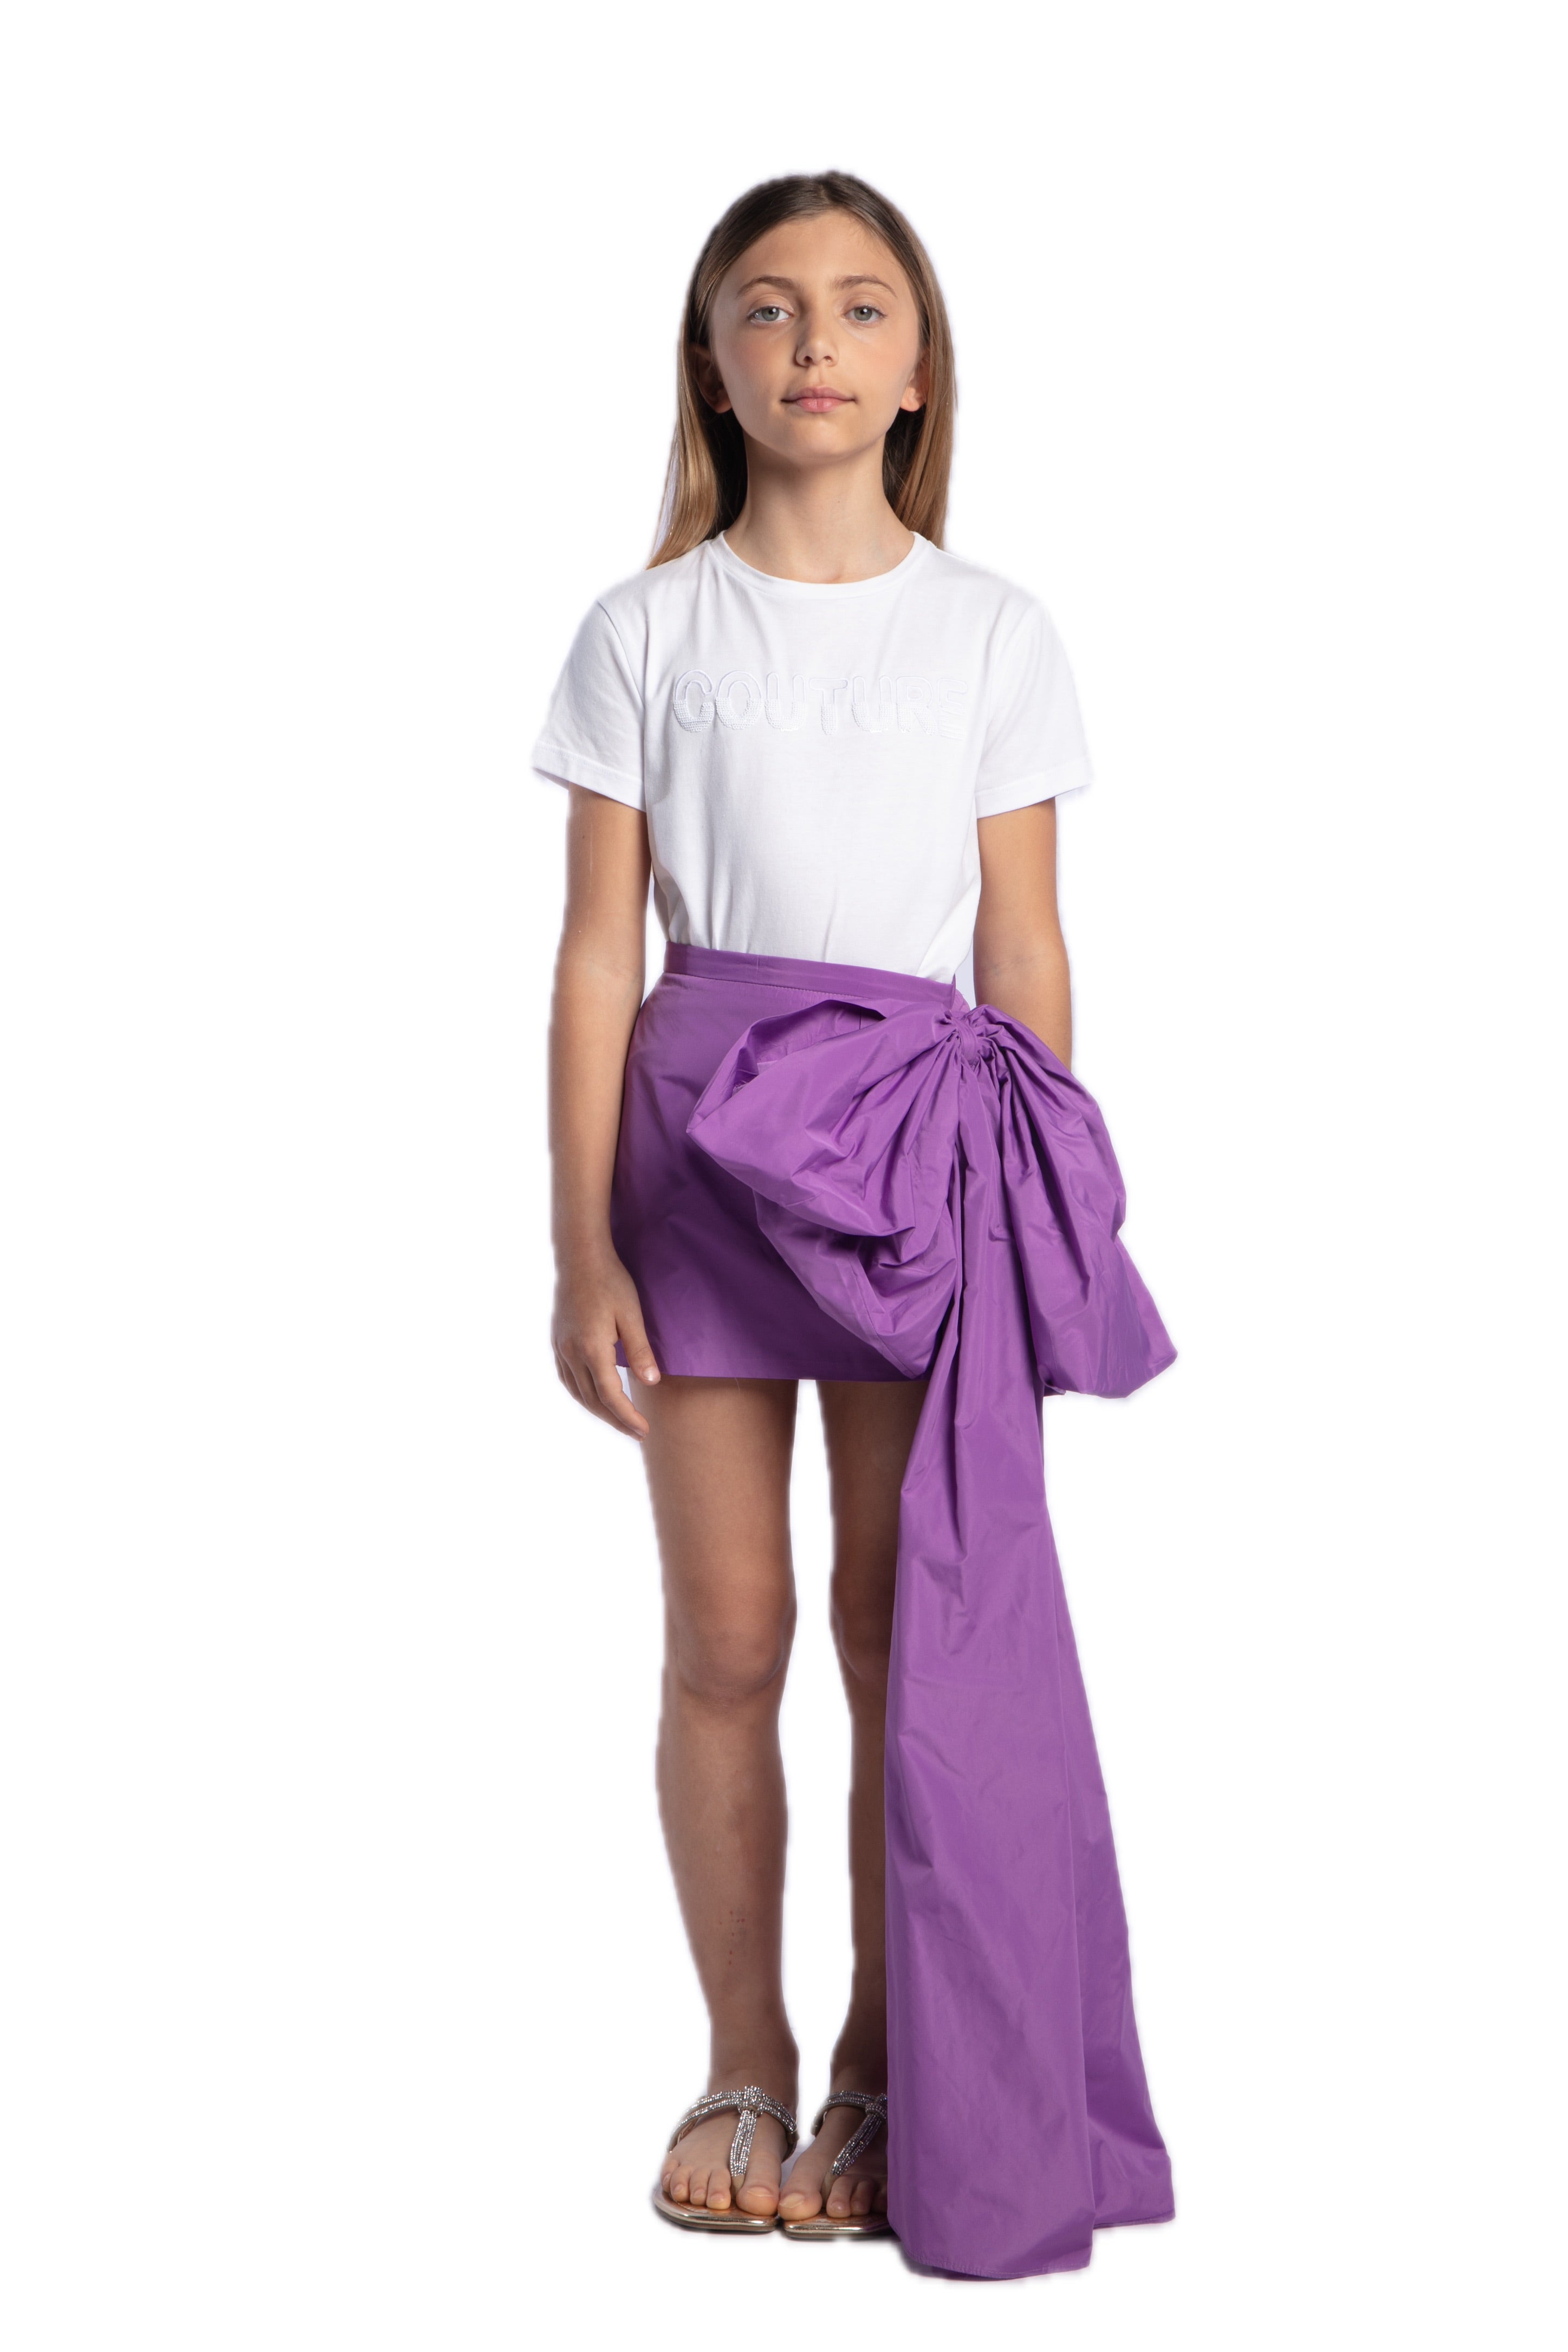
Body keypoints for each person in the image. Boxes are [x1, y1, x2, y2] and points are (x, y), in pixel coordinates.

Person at [535, 170, 1176, 2280]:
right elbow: (599, 954)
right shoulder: (644, 629)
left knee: (909, 1636)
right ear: (712, 363)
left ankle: (897, 2076)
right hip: (698, 1156)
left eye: (861, 306)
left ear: (917, 373)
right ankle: (745, 2061)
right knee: (730, 1636)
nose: (814, 339)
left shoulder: (993, 630)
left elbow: (1027, 946)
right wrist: (583, 1247)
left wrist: (1037, 1208)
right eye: (768, 306)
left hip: (919, 1163)